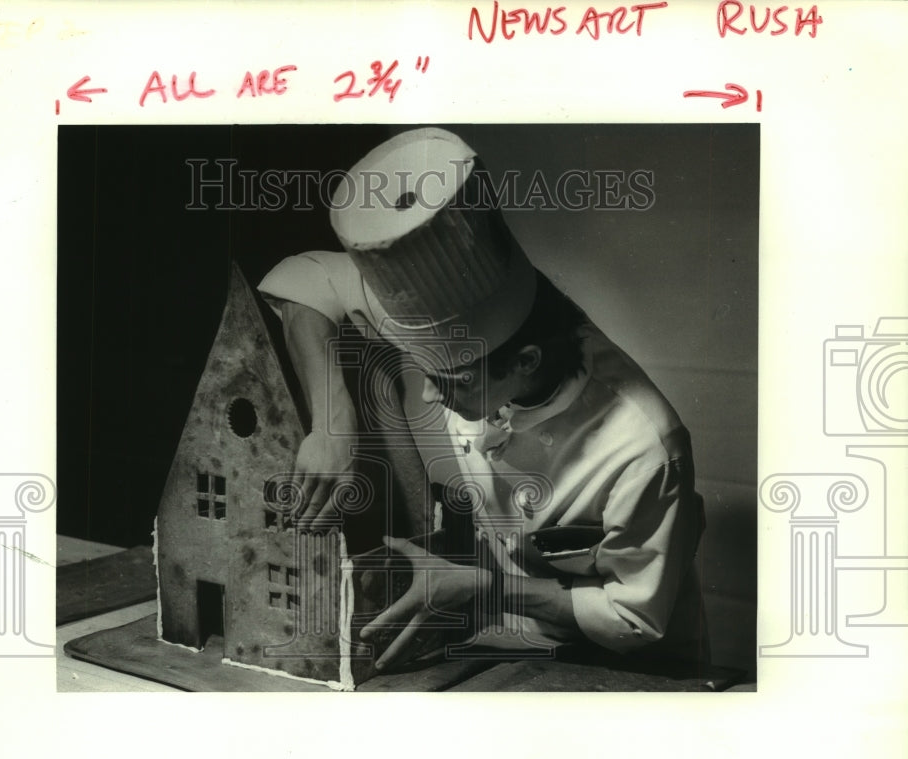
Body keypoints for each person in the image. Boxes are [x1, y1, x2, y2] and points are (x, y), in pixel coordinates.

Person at [258, 128, 708, 672]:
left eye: (453, 380)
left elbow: (634, 617)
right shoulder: (453, 323)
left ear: (526, 362)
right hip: (507, 641)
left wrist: (485, 590)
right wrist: (332, 426)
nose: (428, 393)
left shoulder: (643, 446)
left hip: (630, 670)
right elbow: (304, 279)